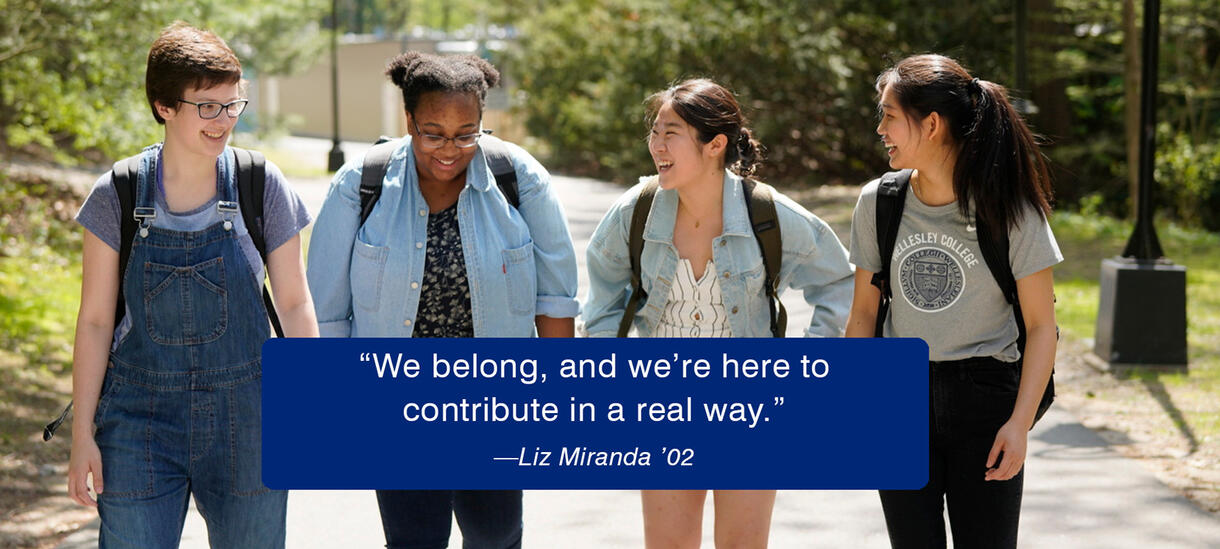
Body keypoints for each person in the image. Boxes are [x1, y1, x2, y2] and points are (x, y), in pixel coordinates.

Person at [306, 51, 579, 549]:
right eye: (432, 133)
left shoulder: (517, 177)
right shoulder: (362, 182)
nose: (449, 150)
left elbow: (556, 297)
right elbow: (327, 311)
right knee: (415, 537)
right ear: (408, 120)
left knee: (495, 534)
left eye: (466, 134)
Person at [66, 22, 318, 548]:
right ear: (164, 106)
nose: (224, 120)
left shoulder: (259, 184)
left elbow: (295, 304)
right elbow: (94, 321)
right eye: (207, 106)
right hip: (137, 421)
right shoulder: (117, 193)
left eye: (232, 104)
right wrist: (82, 433)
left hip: (250, 420)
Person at [581, 78, 854, 548]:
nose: (656, 146)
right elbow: (602, 304)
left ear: (715, 144)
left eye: (671, 134)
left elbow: (839, 283)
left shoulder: (767, 213)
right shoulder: (636, 211)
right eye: (654, 132)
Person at [845, 54, 1061, 548]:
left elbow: (1040, 326)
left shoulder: (1010, 209)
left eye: (889, 116)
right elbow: (863, 314)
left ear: (932, 124)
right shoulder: (878, 202)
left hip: (986, 402)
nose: (880, 129)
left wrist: (1019, 425)